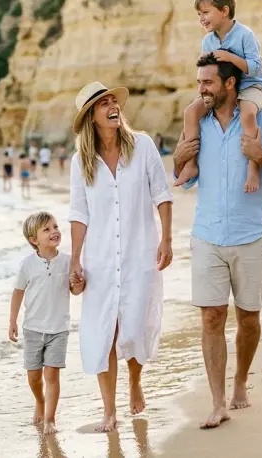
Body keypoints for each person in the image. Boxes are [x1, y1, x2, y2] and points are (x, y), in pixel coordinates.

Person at [173, 54, 262, 429]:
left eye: (208, 83)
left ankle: (241, 381)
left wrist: (261, 156)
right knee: (211, 317)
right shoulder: (198, 125)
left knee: (248, 318)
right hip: (207, 236)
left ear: (230, 84)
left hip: (251, 236)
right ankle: (218, 402)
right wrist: (177, 160)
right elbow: (185, 179)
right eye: (199, 82)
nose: (201, 90)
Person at [68, 81, 174, 433]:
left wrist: (166, 239)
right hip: (99, 260)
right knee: (105, 332)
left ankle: (135, 381)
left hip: (139, 254)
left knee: (135, 325)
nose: (113, 106)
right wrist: (75, 260)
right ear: (91, 117)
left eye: (114, 101)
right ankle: (109, 410)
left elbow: (162, 194)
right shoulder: (80, 162)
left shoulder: (142, 146)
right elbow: (79, 214)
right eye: (104, 103)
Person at [175, 0, 262, 195]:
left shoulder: (245, 35)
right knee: (190, 112)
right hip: (222, 90)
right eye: (199, 14)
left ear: (224, 11)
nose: (201, 18)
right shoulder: (208, 41)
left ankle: (253, 168)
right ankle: (190, 164)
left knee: (247, 115)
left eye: (205, 12)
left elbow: (255, 68)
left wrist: (230, 57)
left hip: (251, 86)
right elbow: (208, 71)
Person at [8, 211, 83, 435]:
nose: (54, 232)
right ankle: (40, 401)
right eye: (47, 229)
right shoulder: (27, 264)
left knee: (51, 375)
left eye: (55, 226)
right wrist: (12, 321)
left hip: (58, 329)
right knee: (33, 377)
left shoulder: (68, 261)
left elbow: (76, 291)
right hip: (32, 329)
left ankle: (50, 419)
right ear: (34, 240)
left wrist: (78, 282)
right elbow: (18, 292)